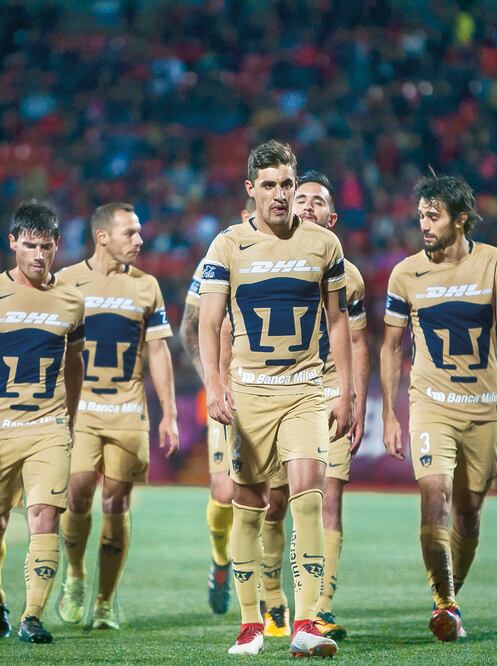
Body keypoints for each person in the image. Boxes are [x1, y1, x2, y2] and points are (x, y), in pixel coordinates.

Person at [200, 140, 351, 658]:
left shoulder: (323, 246)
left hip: (306, 392)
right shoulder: (227, 245)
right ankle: (251, 623)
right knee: (249, 509)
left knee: (309, 497)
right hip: (249, 395)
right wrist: (215, 386)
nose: (281, 194)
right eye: (269, 185)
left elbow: (339, 321)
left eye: (287, 184)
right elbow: (209, 319)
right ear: (251, 190)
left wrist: (345, 392)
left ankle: (307, 622)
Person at [380, 172, 497, 642]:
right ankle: (444, 603)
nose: (424, 224)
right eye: (421, 215)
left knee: (469, 515)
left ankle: (448, 598)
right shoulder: (406, 273)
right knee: (435, 497)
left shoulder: (494, 263)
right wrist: (388, 412)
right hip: (430, 404)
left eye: (434, 216)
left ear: (461, 219)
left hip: (484, 407)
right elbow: (390, 347)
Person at [0, 200, 85, 644]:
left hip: (48, 429)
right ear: (13, 243)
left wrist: (73, 414)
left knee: (44, 516)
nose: (38, 255)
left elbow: (75, 363)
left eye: (46, 246)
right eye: (29, 246)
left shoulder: (71, 300)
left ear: (57, 245)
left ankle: (32, 615)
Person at [256, 171, 370, 641]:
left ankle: (319, 607)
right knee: (276, 500)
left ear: (332, 216)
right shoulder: (262, 257)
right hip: (275, 388)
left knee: (328, 495)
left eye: (317, 201)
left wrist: (352, 398)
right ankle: (272, 598)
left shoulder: (349, 274)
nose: (305, 205)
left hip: (325, 390)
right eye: (298, 197)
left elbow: (358, 341)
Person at [55, 203, 178, 630]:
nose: (140, 240)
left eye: (139, 232)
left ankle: (105, 602)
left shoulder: (148, 287)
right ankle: (74, 575)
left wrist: (170, 414)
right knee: (77, 495)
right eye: (130, 233)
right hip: (82, 412)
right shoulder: (67, 282)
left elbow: (159, 350)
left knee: (115, 504)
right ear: (102, 236)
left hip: (128, 412)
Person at [180, 198, 255, 616]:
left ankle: (266, 586)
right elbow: (191, 326)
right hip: (229, 390)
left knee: (270, 494)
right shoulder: (221, 252)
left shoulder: (295, 251)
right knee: (225, 491)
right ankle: (222, 561)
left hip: (279, 387)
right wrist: (213, 382)